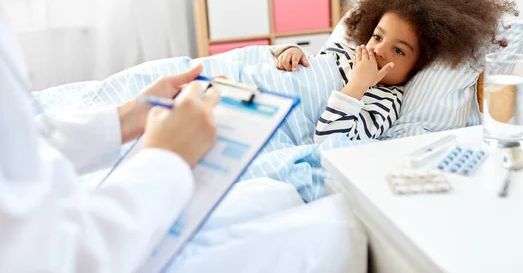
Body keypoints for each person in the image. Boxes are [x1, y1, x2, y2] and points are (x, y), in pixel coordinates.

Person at [0, 16, 366, 272]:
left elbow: (15, 145)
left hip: (62, 221)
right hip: (75, 250)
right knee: (338, 231)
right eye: (376, 38)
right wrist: (166, 156)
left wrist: (126, 117)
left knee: (275, 195)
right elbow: (47, 257)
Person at [274, 0, 519, 143]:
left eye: (399, 51)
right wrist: (291, 50)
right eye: (377, 36)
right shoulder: (345, 53)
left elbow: (330, 142)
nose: (380, 50)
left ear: (416, 67)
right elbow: (312, 61)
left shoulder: (386, 102)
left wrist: (357, 86)